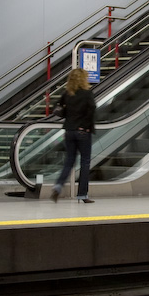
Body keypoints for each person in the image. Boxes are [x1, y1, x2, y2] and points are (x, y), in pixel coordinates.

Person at [50, 68, 97, 203]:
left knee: (69, 161)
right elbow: (92, 110)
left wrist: (69, 117)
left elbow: (58, 108)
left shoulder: (67, 93)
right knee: (85, 162)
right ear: (83, 79)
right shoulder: (87, 93)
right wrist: (85, 126)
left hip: (69, 130)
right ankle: (82, 194)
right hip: (83, 131)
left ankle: (58, 186)